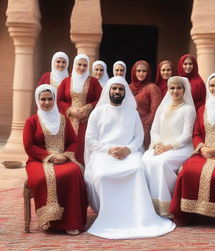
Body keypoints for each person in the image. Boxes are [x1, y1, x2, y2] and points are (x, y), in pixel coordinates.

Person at [84, 76, 175, 239]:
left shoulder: (132, 113)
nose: (117, 91)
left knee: (137, 170)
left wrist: (128, 149)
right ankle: (108, 216)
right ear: (108, 91)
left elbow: (138, 137)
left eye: (120, 89)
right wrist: (109, 149)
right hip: (104, 154)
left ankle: (138, 216)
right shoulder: (98, 113)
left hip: (129, 153)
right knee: (101, 175)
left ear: (125, 92)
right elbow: (90, 139)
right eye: (114, 88)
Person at [169, 73, 215, 225]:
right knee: (186, 172)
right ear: (208, 88)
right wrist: (202, 147)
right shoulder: (203, 108)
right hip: (203, 153)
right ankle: (187, 214)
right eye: (212, 85)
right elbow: (196, 133)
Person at [23, 84, 88, 235]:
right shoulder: (31, 121)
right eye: (43, 99)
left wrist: (65, 155)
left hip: (63, 158)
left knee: (73, 172)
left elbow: (73, 141)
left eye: (50, 99)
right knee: (41, 179)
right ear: (38, 100)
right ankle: (50, 221)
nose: (46, 102)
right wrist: (50, 156)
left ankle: (72, 222)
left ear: (54, 100)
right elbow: (29, 146)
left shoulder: (62, 119)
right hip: (38, 160)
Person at [142, 76, 196, 216]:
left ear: (184, 90)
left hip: (181, 148)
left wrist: (168, 147)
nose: (175, 91)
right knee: (145, 160)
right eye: (172, 88)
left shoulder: (188, 109)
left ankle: (167, 206)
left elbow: (187, 136)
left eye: (179, 88)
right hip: (160, 147)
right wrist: (158, 144)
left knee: (161, 163)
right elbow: (155, 129)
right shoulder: (164, 107)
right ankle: (149, 205)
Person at [57, 54, 102, 165]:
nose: (82, 68)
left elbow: (101, 99)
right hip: (68, 120)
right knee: (68, 144)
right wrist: (70, 110)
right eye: (79, 64)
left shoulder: (93, 82)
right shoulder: (66, 81)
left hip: (86, 121)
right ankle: (69, 171)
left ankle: (83, 172)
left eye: (85, 65)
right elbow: (59, 100)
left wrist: (88, 107)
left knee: (84, 145)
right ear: (74, 65)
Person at [129, 60, 162, 150]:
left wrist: (144, 127)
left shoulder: (152, 88)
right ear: (134, 72)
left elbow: (155, 111)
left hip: (146, 127)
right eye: (138, 71)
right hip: (129, 125)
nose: (141, 73)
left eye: (144, 71)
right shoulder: (128, 87)